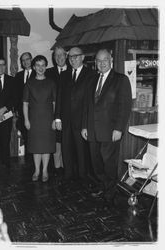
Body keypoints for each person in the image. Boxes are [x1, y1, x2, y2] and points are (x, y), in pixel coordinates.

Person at [81, 48, 132, 202]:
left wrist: (119, 128)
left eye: (105, 60)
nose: (102, 63)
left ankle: (110, 194)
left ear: (111, 61)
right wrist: (84, 126)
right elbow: (87, 106)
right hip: (92, 130)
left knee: (109, 164)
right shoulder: (91, 80)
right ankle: (102, 186)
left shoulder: (121, 80)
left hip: (110, 131)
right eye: (99, 60)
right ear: (95, 63)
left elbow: (125, 106)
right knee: (96, 164)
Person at [55, 47, 94, 180]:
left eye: (75, 56)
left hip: (82, 120)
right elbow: (59, 96)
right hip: (66, 120)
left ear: (83, 57)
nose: (72, 59)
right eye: (70, 57)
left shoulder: (91, 74)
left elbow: (91, 101)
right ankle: (68, 174)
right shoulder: (64, 74)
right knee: (66, 149)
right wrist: (58, 118)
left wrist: (87, 123)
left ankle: (83, 176)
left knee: (81, 150)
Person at [23, 55, 56, 182]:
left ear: (46, 66)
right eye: (38, 65)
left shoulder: (51, 83)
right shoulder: (29, 83)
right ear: (33, 67)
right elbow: (25, 103)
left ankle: (45, 170)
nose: (40, 68)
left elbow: (54, 103)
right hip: (34, 119)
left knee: (46, 146)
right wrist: (26, 120)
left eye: (43, 65)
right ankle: (37, 170)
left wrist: (55, 119)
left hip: (48, 119)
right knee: (36, 147)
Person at [46, 46, 70, 175]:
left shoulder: (73, 70)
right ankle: (57, 168)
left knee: (68, 141)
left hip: (70, 114)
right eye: (56, 55)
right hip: (53, 113)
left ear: (66, 56)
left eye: (62, 55)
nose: (59, 58)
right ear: (54, 58)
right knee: (56, 141)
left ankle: (68, 166)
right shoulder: (48, 73)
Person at [14, 52, 35, 163]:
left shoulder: (38, 73)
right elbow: (16, 95)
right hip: (22, 113)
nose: (25, 62)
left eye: (27, 59)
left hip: (36, 113)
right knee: (26, 137)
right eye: (23, 60)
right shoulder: (18, 76)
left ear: (31, 59)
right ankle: (29, 160)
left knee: (35, 137)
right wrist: (17, 110)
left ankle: (36, 160)